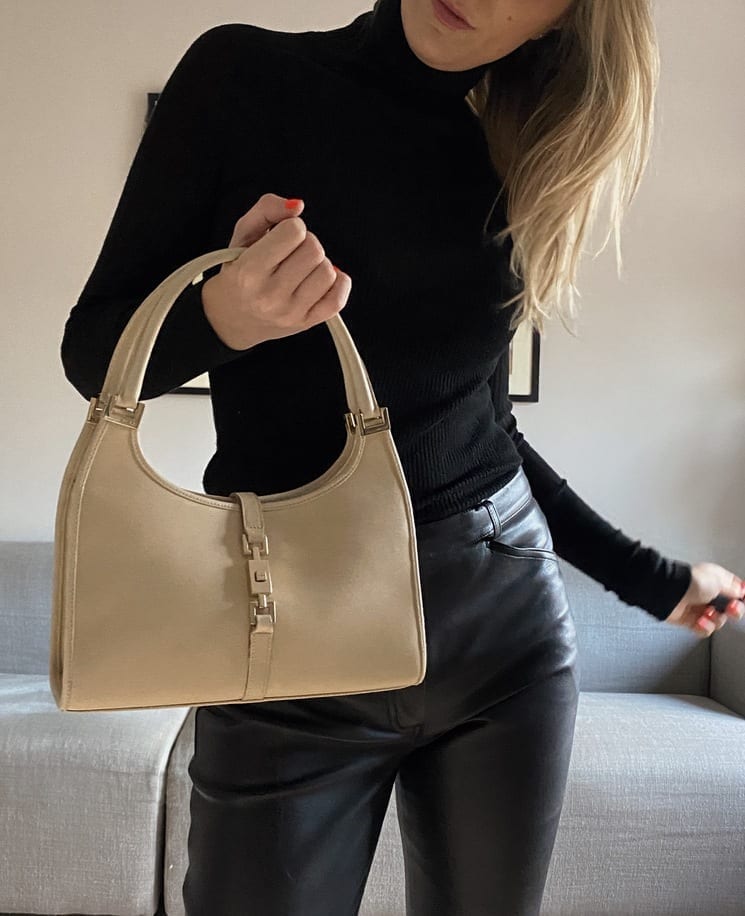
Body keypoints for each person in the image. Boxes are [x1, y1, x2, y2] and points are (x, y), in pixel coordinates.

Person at [60, 0, 745, 913]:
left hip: (501, 638)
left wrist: (656, 581)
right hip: (284, 633)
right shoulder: (242, 77)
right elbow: (93, 355)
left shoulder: (512, 156)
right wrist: (226, 315)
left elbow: (486, 433)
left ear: (562, 22)